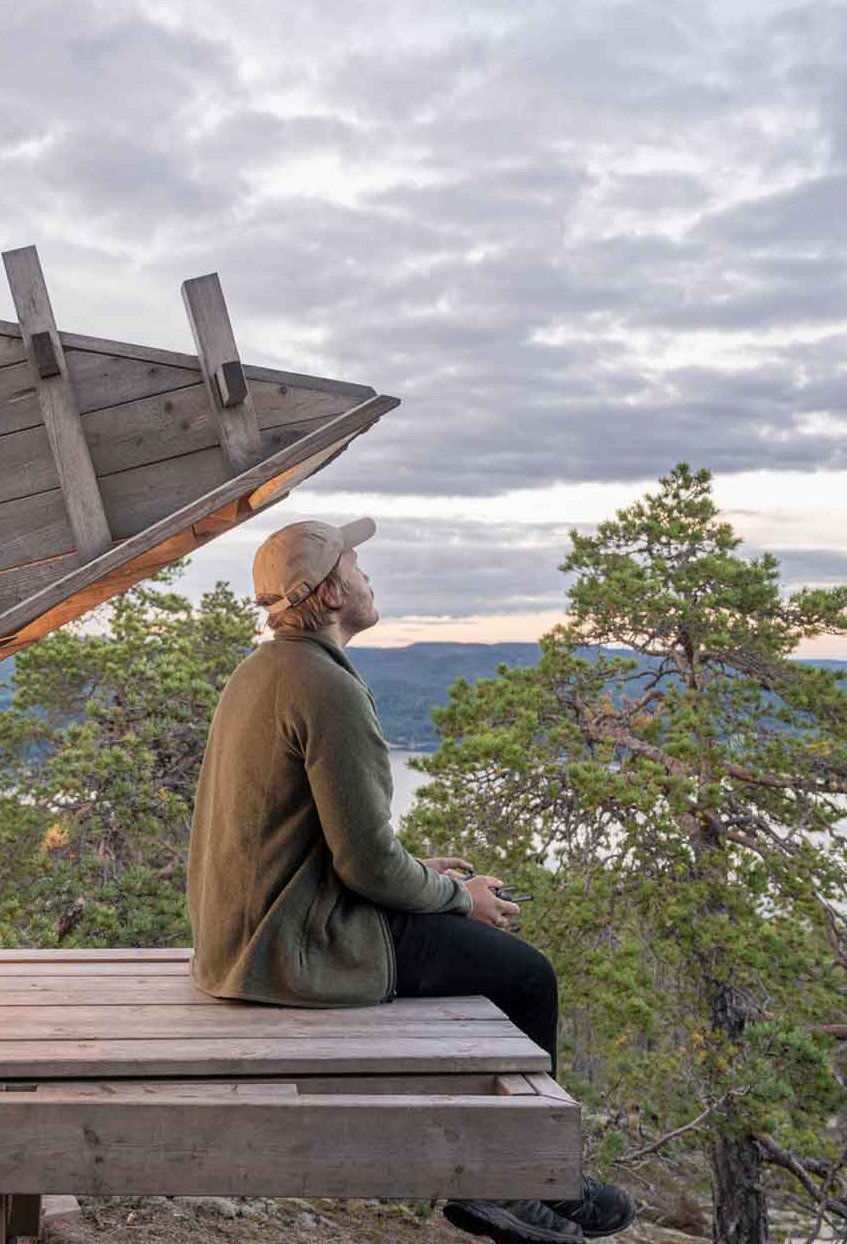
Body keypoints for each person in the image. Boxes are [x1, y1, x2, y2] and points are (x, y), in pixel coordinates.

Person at [186, 517, 636, 1244]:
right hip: (296, 951)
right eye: (358, 564)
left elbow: (314, 842)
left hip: (249, 938)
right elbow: (365, 867)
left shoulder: (263, 671)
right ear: (331, 592)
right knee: (526, 976)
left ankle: (517, 1173)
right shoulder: (326, 688)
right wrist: (462, 897)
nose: (370, 577)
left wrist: (424, 874)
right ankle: (514, 1179)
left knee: (472, 945)